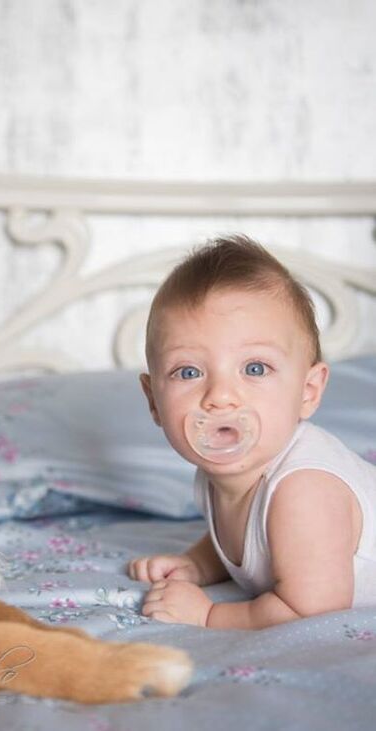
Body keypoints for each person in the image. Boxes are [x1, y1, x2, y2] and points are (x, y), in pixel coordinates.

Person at [129, 235, 376, 628]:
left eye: (255, 368)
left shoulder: (304, 491)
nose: (221, 397)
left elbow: (312, 609)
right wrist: (196, 564)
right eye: (188, 372)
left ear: (307, 392)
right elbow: (248, 537)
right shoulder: (220, 474)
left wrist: (209, 614)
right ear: (154, 401)